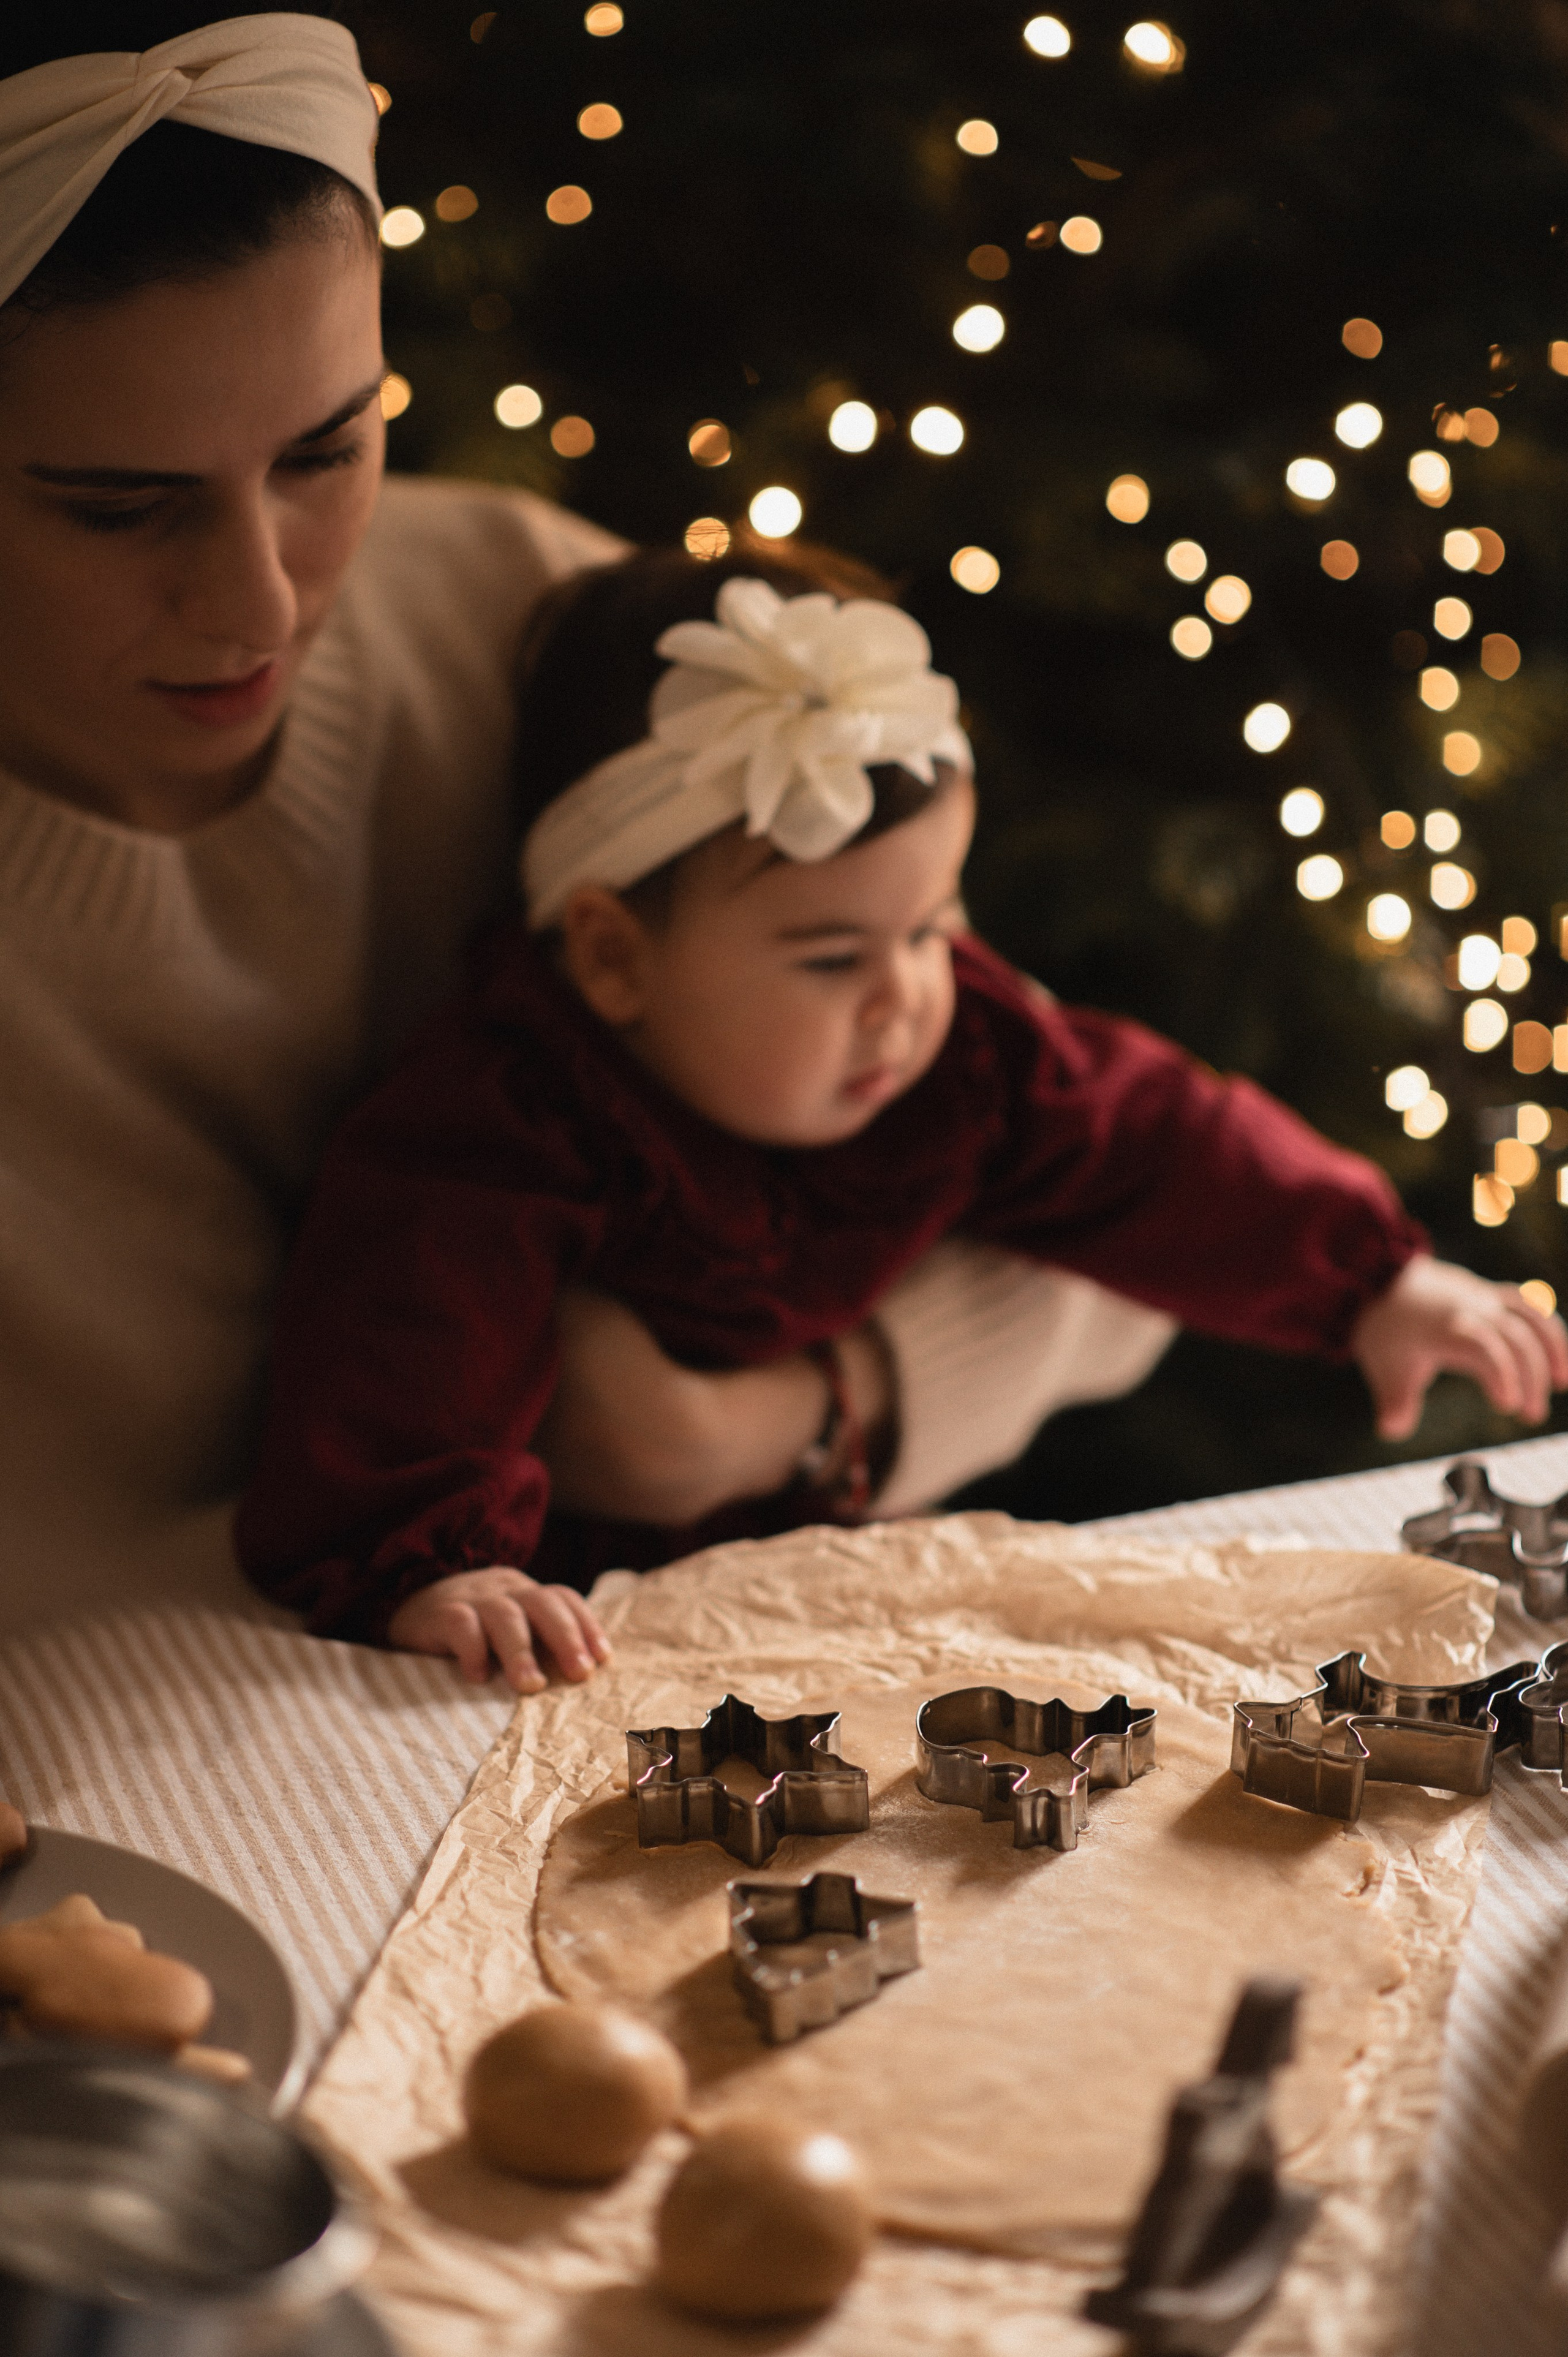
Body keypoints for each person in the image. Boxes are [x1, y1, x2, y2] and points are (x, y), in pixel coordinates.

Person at [0, 6, 1192, 1642]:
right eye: (121, 507)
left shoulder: (552, 631)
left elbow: (1078, 1172)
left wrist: (776, 1423)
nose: (260, 601)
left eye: (327, 450)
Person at [235, 543, 1568, 1691]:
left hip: (837, 1562)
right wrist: (433, 1566)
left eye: (931, 926)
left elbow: (1154, 1134)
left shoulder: (960, 1055)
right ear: (614, 956)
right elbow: (401, 1339)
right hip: (584, 1606)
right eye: (831, 958)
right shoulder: (509, 1113)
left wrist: (1373, 1281)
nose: (906, 997)